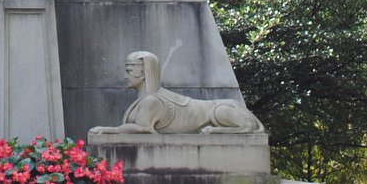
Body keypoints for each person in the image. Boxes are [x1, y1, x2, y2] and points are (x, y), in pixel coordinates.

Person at [94, 50, 263, 134]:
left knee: (219, 112)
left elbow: (143, 128)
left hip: (222, 109)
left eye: (129, 70)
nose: (125, 76)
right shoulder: (148, 100)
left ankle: (242, 128)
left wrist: (111, 130)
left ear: (143, 72)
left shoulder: (151, 102)